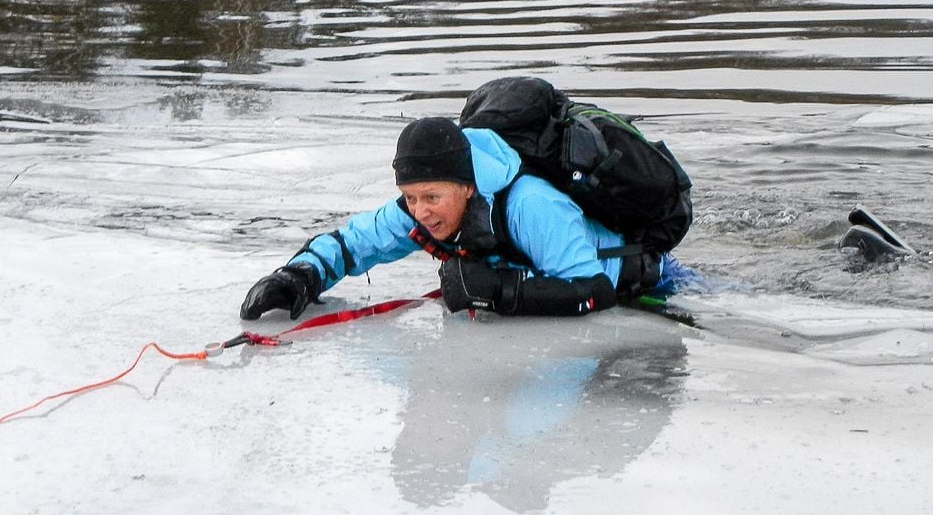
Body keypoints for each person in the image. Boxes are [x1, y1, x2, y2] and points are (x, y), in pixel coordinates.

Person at [239, 117, 694, 321]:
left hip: (651, 281)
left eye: (431, 196)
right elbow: (354, 243)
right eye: (410, 197)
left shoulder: (530, 205)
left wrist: (495, 293)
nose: (420, 211)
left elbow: (594, 291)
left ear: (468, 185)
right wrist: (299, 276)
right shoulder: (424, 208)